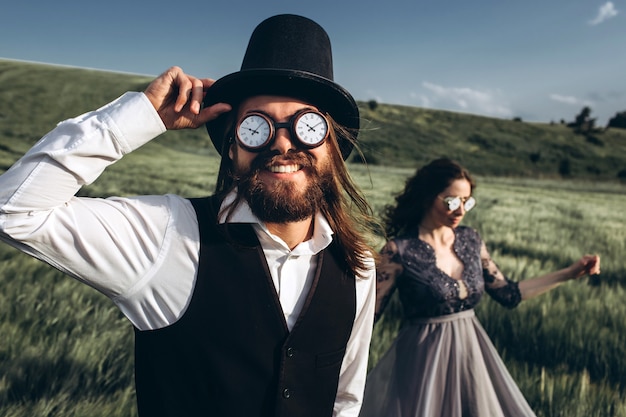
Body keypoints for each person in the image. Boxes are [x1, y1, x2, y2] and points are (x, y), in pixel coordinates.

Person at [0, 14, 378, 417]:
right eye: (257, 127)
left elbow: (343, 398)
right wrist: (142, 116)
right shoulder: (168, 235)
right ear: (232, 147)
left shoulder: (357, 267)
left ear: (333, 146)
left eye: (307, 125)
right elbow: (14, 210)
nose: (282, 143)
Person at [359, 158, 601, 417]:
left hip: (472, 356)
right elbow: (367, 319)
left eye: (467, 201)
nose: (461, 210)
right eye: (452, 201)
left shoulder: (471, 240)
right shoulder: (398, 250)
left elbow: (508, 293)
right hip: (423, 362)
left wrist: (570, 273)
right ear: (428, 197)